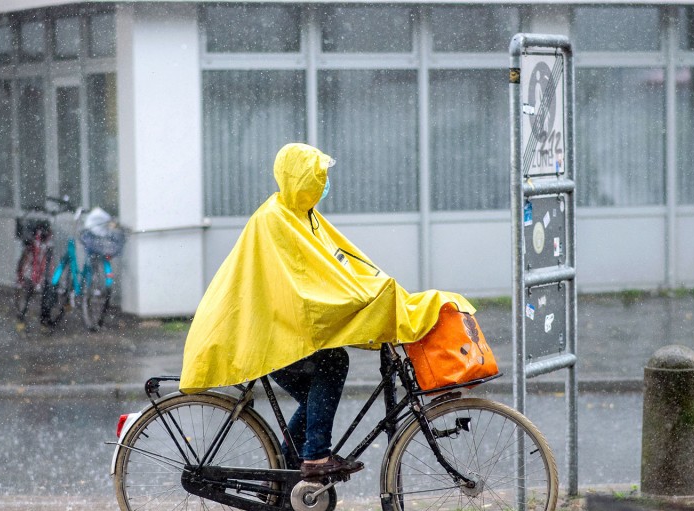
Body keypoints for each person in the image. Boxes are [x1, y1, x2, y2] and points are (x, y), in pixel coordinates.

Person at [180, 143, 474, 479]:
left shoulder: (303, 217)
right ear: (299, 179)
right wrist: (359, 300)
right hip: (266, 335)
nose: (324, 183)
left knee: (318, 392)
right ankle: (315, 459)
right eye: (318, 176)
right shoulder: (274, 220)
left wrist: (376, 291)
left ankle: (290, 472)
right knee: (333, 363)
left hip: (282, 330)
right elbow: (301, 287)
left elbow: (340, 265)